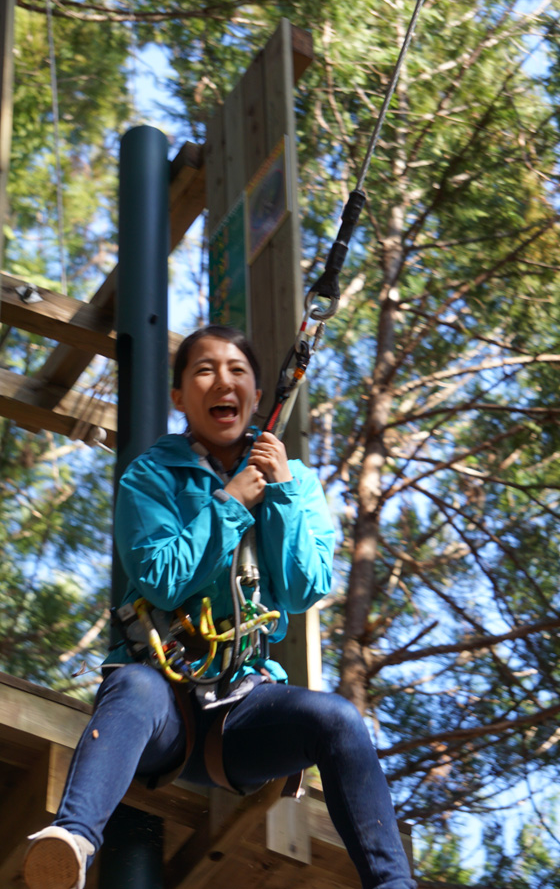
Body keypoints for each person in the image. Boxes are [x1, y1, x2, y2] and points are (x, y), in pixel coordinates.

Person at [23, 325, 415, 889]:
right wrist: (229, 504)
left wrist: (278, 490)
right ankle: (71, 840)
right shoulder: (151, 477)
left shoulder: (295, 481)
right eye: (203, 370)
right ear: (179, 397)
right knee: (131, 686)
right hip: (160, 701)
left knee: (337, 719)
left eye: (237, 371)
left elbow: (304, 587)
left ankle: (392, 883)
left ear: (257, 396)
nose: (222, 381)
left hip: (243, 705)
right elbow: (160, 579)